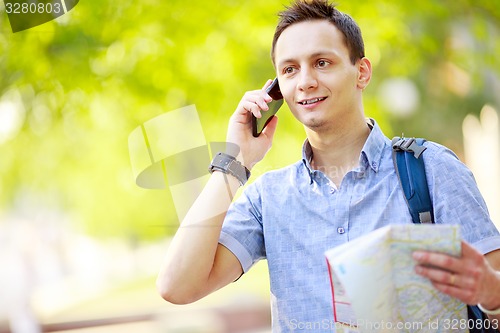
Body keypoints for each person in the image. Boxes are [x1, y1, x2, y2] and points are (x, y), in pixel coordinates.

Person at [157, 0, 500, 331]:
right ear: (277, 89)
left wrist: (489, 293)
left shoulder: (432, 170)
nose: (305, 81)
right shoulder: (267, 198)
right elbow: (177, 286)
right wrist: (236, 162)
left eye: (322, 62)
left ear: (361, 72)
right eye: (289, 69)